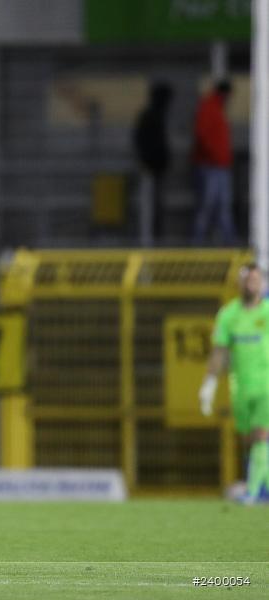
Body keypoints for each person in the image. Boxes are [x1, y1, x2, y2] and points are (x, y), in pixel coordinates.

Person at [199, 264, 269, 503]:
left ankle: (251, 492)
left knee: (262, 435)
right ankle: (263, 490)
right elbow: (220, 351)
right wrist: (209, 384)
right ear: (239, 284)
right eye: (248, 280)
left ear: (262, 284)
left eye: (256, 280)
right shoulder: (228, 315)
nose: (252, 284)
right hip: (240, 386)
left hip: (266, 385)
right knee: (251, 441)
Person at [192, 80, 235, 245]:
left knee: (223, 207)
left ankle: (229, 242)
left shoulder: (216, 109)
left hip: (219, 165)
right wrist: (215, 156)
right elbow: (202, 135)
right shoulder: (210, 108)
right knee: (207, 206)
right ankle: (198, 243)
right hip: (210, 166)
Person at [132, 81, 173, 245]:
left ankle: (154, 239)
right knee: (149, 209)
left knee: (155, 209)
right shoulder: (150, 116)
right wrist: (146, 162)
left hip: (156, 169)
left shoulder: (156, 115)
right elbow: (141, 141)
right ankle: (148, 241)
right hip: (150, 170)